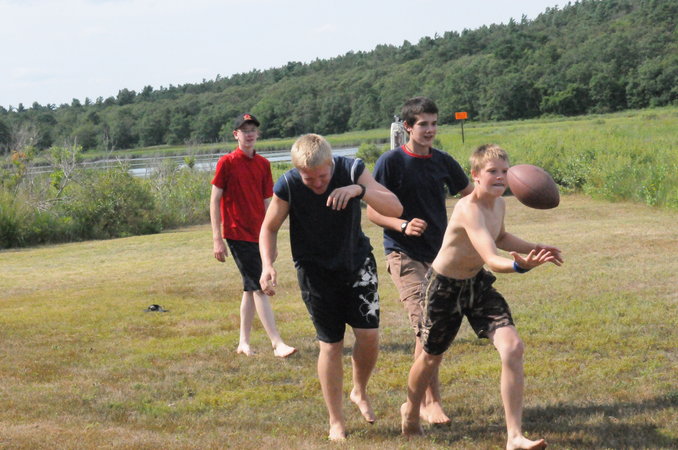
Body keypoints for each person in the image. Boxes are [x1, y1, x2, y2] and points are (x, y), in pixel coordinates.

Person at [400, 144, 563, 450]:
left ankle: (514, 436)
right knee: (431, 356)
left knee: (512, 347)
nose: (500, 177)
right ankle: (410, 411)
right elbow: (491, 257)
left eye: (504, 171)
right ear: (475, 175)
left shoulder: (498, 204)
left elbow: (500, 237)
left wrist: (536, 248)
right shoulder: (468, 208)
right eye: (492, 171)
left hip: (476, 285)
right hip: (444, 289)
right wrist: (519, 265)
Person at [259, 134, 403, 441]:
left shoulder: (352, 170)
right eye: (308, 178)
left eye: (322, 176)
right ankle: (336, 420)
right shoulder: (288, 185)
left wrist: (359, 190)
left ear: (331, 163)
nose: (317, 183)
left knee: (369, 336)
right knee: (331, 345)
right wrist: (268, 264)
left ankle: (359, 390)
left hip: (357, 264)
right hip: (315, 273)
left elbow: (395, 207)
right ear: (297, 171)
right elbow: (269, 228)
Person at [368, 96, 474, 424]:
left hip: (440, 256)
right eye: (423, 124)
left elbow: (471, 196)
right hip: (403, 254)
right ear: (407, 127)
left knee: (433, 327)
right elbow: (372, 211)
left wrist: (497, 183)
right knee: (426, 326)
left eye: (433, 123)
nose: (430, 130)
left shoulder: (443, 161)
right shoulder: (390, 162)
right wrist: (402, 225)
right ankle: (428, 403)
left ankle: (417, 403)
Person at [210, 113, 296, 358]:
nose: (249, 134)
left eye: (252, 130)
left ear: (257, 134)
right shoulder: (226, 163)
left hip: (259, 234)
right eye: (244, 130)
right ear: (236, 135)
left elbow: (269, 202)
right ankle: (277, 343)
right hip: (237, 233)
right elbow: (215, 200)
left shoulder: (263, 164)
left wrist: (272, 239)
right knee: (259, 285)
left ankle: (243, 343)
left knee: (249, 288)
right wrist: (217, 238)